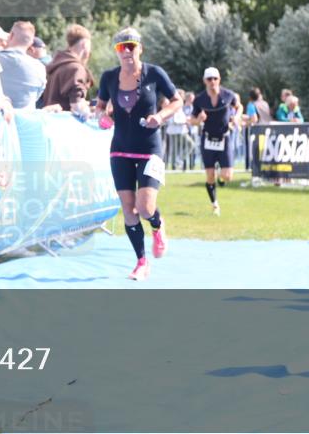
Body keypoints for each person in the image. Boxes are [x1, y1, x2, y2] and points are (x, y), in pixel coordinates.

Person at [95, 28, 180, 280]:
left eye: (131, 46)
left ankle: (157, 224)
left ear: (140, 48)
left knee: (144, 208)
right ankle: (141, 262)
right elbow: (100, 105)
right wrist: (103, 116)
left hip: (149, 150)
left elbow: (177, 100)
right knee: (129, 209)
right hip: (120, 149)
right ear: (117, 52)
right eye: (122, 47)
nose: (127, 51)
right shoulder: (109, 77)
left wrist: (160, 116)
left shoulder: (154, 73)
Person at [189, 67, 243, 216]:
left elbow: (239, 107)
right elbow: (192, 120)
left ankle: (221, 176)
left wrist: (237, 117)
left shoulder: (228, 95)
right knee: (209, 176)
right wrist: (198, 119)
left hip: (224, 138)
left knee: (227, 176)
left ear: (219, 80)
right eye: (209, 79)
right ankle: (215, 205)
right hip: (207, 139)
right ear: (204, 81)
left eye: (215, 78)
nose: (212, 82)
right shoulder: (200, 99)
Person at [40, 24, 93, 113]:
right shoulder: (76, 68)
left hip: (50, 122)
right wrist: (90, 112)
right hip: (66, 124)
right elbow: (76, 105)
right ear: (84, 44)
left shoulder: (56, 65)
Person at [0, 21, 47, 110]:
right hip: (26, 120)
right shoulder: (40, 68)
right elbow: (37, 95)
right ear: (31, 42)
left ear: (11, 35)